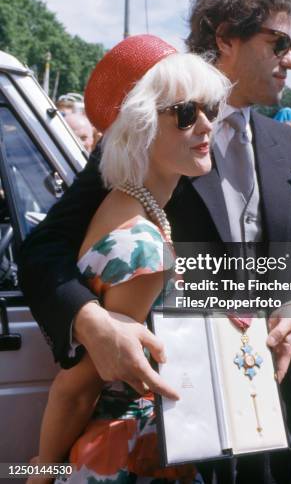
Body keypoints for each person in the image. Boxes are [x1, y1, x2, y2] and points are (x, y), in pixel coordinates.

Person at [19, 0, 291, 484]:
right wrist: (90, 322)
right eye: (279, 43)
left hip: (271, 417)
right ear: (226, 37)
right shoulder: (151, 139)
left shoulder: (290, 144)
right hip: (174, 429)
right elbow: (44, 250)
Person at [28, 34, 230, 483]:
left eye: (209, 110)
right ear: (139, 126)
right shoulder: (144, 246)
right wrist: (38, 473)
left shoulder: (125, 205)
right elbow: (76, 389)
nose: (205, 125)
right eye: (184, 113)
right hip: (125, 461)